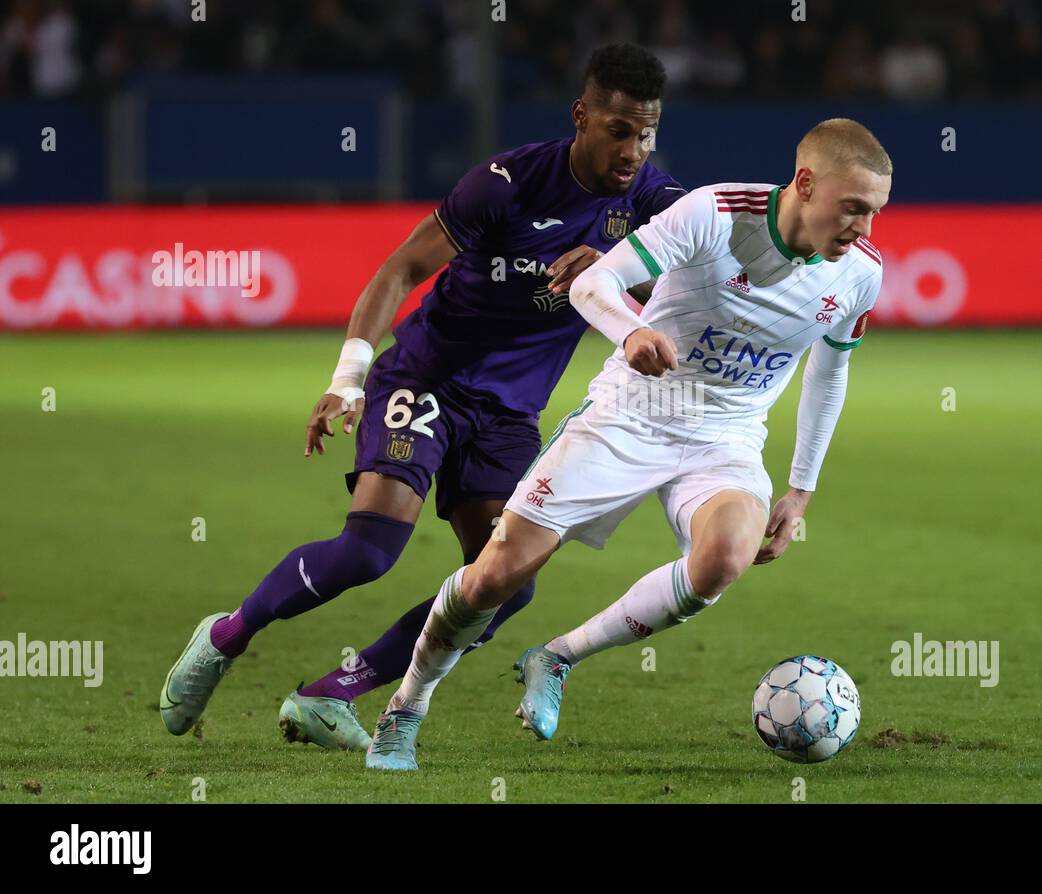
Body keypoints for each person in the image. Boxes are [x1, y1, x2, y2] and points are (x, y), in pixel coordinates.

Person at [159, 44, 686, 750]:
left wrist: (622, 271)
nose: (634, 149)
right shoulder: (506, 182)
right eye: (619, 129)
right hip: (428, 377)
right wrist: (346, 379)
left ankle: (332, 694)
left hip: (507, 415)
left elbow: (706, 278)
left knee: (504, 583)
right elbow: (403, 265)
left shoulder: (653, 202)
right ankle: (226, 636)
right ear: (581, 116)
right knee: (369, 551)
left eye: (647, 132)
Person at [364, 117, 891, 770]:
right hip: (629, 416)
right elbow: (593, 284)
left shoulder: (861, 274)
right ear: (805, 184)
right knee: (494, 575)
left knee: (723, 560)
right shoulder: (713, 215)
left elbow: (830, 369)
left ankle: (556, 658)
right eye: (854, 209)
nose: (864, 229)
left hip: (724, 439)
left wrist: (802, 487)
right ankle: (406, 707)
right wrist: (629, 332)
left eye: (874, 214)